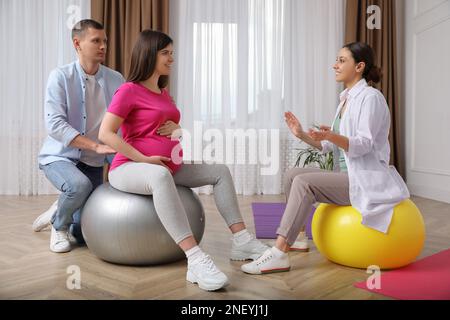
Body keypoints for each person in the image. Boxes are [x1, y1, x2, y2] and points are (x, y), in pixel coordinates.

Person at [98, 30, 269, 291]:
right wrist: (144, 159)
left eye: (172, 53)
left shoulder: (163, 92)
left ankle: (242, 241)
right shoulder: (128, 91)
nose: (171, 59)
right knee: (159, 176)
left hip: (166, 165)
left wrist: (178, 129)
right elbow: (106, 134)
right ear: (149, 54)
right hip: (129, 167)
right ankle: (195, 259)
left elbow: (166, 128)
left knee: (220, 171)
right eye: (165, 53)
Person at [241, 42, 410, 275]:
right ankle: (299, 237)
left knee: (305, 182)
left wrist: (333, 134)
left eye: (342, 60)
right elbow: (328, 146)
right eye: (337, 60)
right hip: (348, 176)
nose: (335, 65)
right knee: (293, 175)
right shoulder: (345, 100)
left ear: (359, 66)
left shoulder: (371, 98)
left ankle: (279, 252)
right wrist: (301, 134)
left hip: (366, 179)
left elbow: (364, 144)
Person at [36, 19, 125, 253]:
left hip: (94, 160)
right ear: (77, 43)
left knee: (83, 235)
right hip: (60, 157)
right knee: (78, 185)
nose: (103, 46)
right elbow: (55, 124)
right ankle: (59, 225)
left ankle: (61, 207)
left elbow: (125, 121)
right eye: (96, 41)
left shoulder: (116, 79)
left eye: (105, 41)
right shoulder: (60, 77)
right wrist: (95, 147)